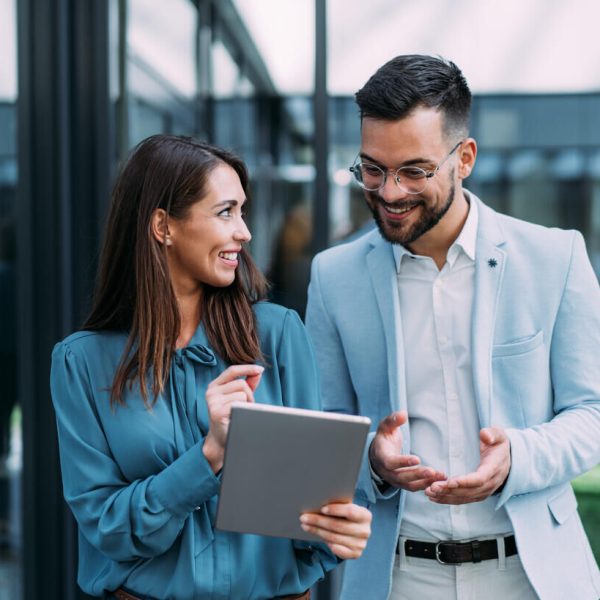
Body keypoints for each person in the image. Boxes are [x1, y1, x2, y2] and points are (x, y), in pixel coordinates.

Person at [305, 55, 600, 600]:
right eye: (372, 169)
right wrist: (370, 458)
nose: (390, 193)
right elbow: (324, 428)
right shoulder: (332, 276)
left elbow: (593, 415)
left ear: (464, 158)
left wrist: (519, 455)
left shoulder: (556, 258)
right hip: (394, 578)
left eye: (414, 170)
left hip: (532, 576)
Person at [50, 134, 371, 600]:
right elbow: (108, 530)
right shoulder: (81, 363)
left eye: (242, 211)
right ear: (163, 225)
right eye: (226, 212)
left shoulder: (278, 335)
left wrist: (338, 529)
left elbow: (308, 521)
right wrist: (210, 454)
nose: (244, 231)